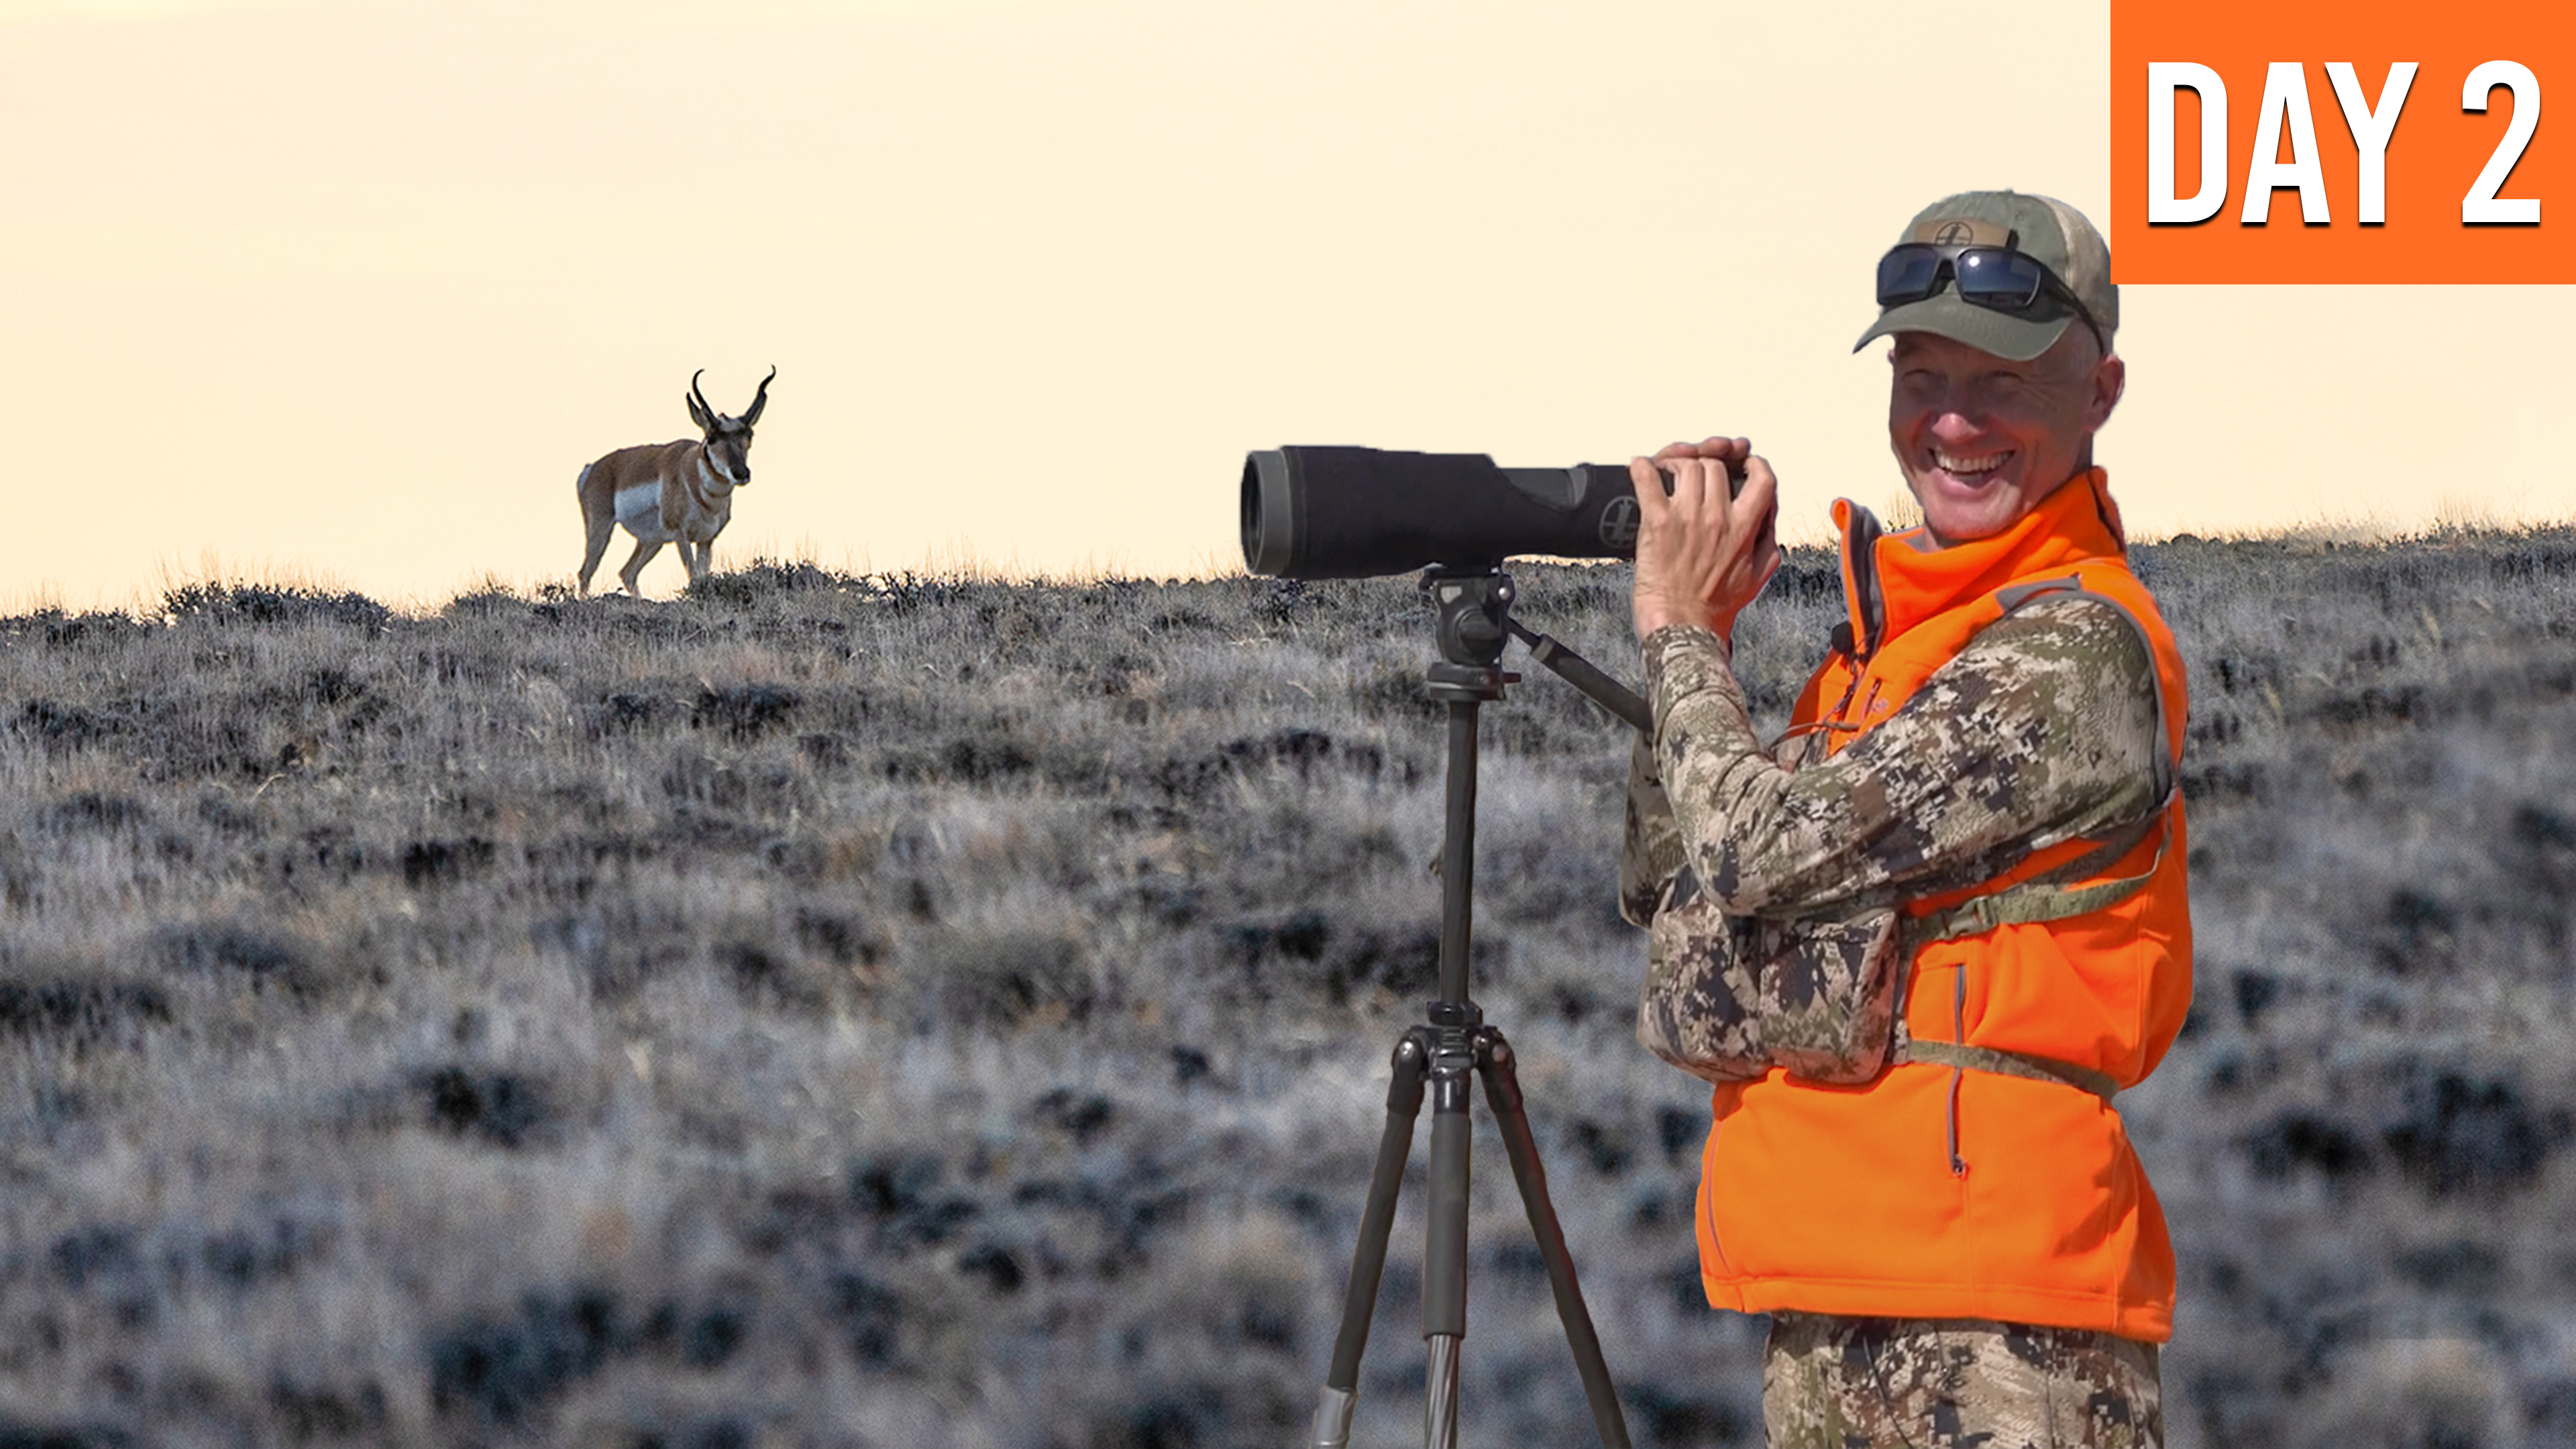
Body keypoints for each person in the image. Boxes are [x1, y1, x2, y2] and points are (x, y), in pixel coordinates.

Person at [1618, 191, 2192, 1448]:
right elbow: (1677, 892)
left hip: (2001, 1320)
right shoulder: (1874, 661)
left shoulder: (2074, 652)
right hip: (1824, 1294)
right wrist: (1697, 642)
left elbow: (1754, 852)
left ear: (2101, 391)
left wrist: (1675, 638)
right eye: (1921, 375)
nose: (1952, 421)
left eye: (2005, 383)